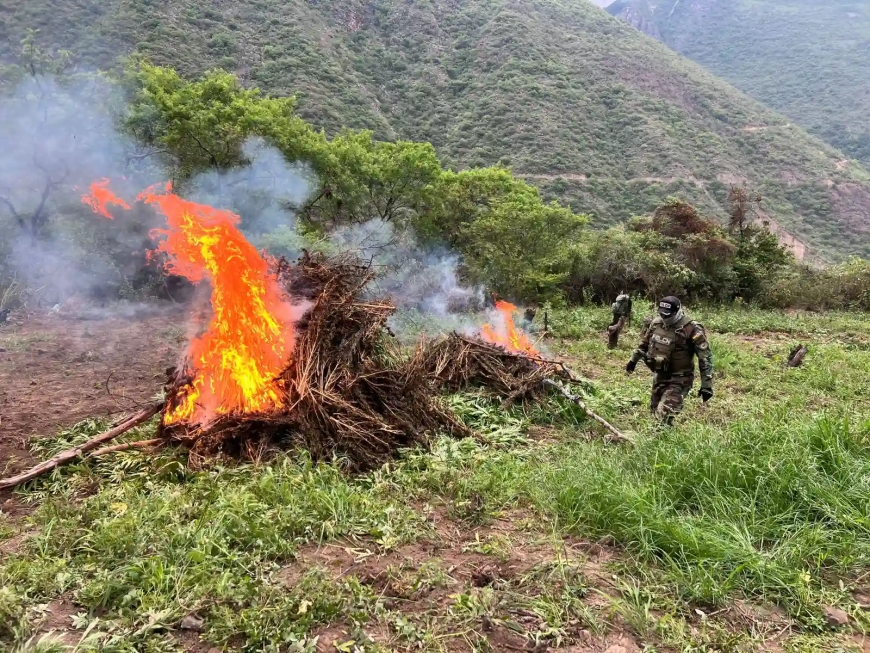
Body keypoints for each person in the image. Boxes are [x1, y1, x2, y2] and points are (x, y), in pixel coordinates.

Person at [624, 296, 713, 423]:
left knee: (663, 415)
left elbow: (705, 357)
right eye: (661, 314)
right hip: (659, 376)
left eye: (667, 315)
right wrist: (633, 361)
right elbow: (644, 344)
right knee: (655, 413)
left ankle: (660, 437)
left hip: (680, 379)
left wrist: (707, 385)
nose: (664, 318)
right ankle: (662, 439)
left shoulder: (692, 328)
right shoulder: (656, 323)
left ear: (677, 311)